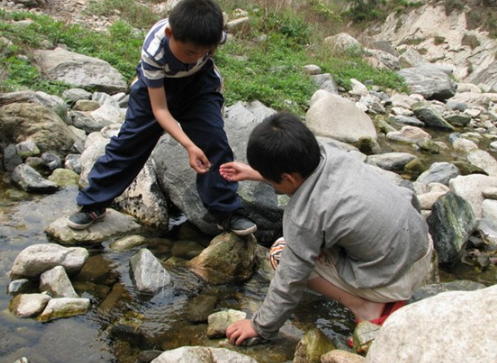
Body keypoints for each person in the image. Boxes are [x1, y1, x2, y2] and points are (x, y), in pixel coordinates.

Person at [221, 112, 432, 345]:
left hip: (396, 276)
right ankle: (374, 291)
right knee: (326, 237)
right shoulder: (332, 153)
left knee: (281, 252)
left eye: (272, 180)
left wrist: (260, 326)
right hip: (421, 246)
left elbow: (290, 279)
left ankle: (367, 307)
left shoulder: (306, 214)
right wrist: (259, 174)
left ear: (287, 178)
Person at [67, 0, 256, 236]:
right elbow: (160, 110)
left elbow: (205, 49)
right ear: (170, 33)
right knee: (129, 144)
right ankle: (93, 204)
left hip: (199, 87)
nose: (193, 57)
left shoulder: (212, 36)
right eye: (188, 52)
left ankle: (227, 212)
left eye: (202, 52)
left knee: (214, 142)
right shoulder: (154, 49)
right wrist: (188, 145)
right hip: (156, 90)